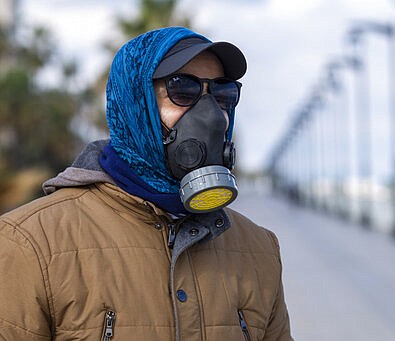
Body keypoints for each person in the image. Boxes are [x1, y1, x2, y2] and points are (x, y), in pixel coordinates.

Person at [0, 26, 293, 340]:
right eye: (183, 90)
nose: (213, 116)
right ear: (134, 105)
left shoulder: (259, 249)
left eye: (222, 94)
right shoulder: (31, 244)